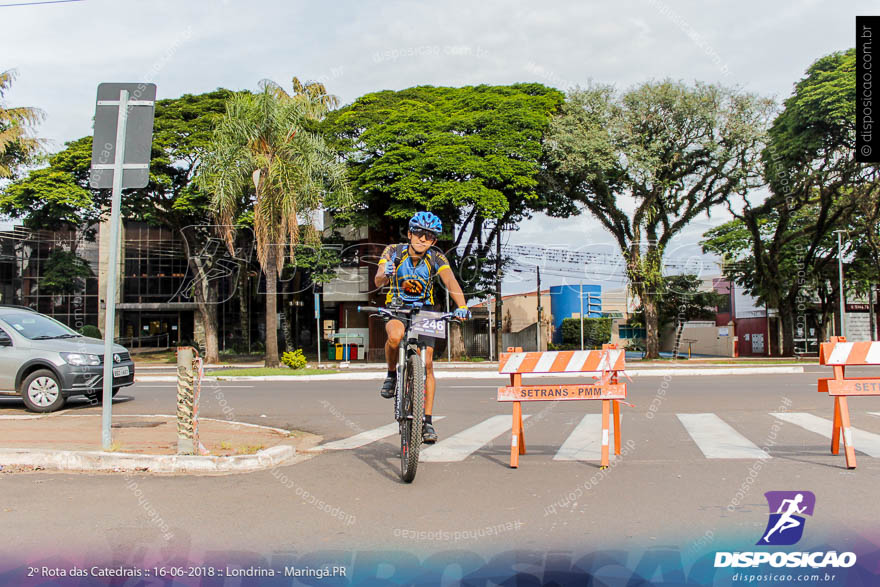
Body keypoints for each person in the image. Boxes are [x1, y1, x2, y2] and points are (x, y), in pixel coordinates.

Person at [374, 211, 470, 443]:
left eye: (429, 236)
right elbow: (377, 279)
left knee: (427, 364)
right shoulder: (393, 251)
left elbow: (450, 280)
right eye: (418, 234)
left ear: (434, 241)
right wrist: (385, 275)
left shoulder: (436, 256)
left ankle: (426, 422)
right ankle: (391, 376)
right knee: (395, 337)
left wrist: (462, 306)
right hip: (396, 307)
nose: (423, 239)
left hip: (425, 310)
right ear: (409, 234)